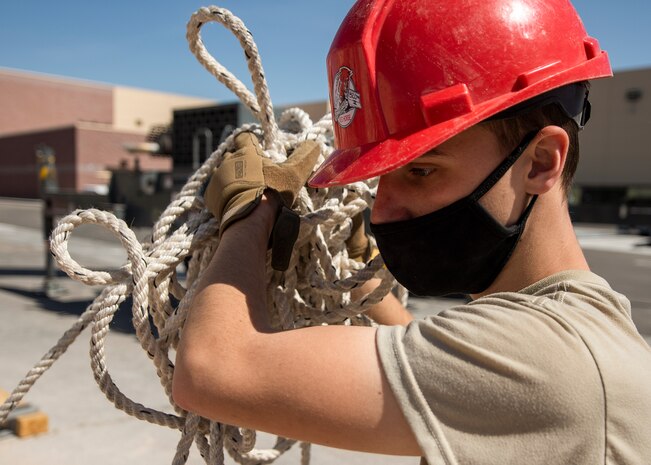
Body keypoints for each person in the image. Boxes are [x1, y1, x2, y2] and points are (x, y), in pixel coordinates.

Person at [173, 0, 651, 463]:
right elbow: (449, 373)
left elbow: (212, 371)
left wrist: (252, 210)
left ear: (541, 161)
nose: (382, 212)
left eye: (421, 171)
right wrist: (363, 282)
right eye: (380, 177)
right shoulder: (572, 328)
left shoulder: (543, 359)